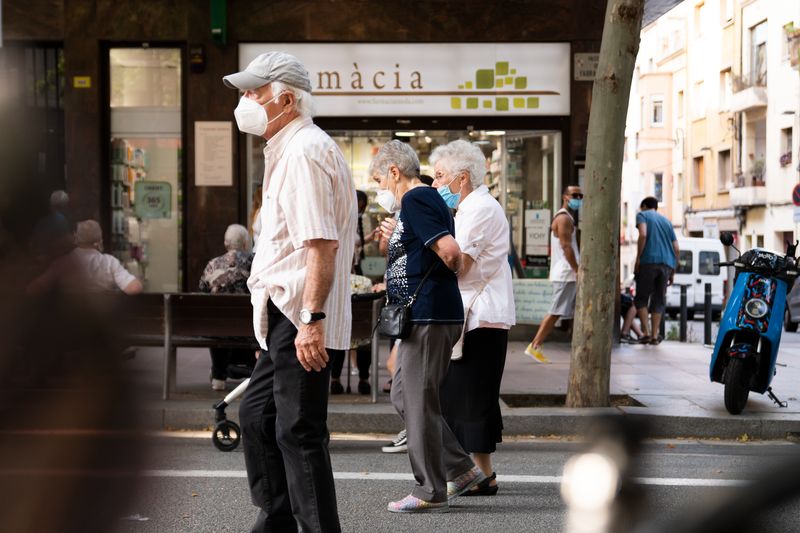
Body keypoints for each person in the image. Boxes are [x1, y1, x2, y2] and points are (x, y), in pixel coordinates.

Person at [223, 51, 356, 533]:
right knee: (257, 416)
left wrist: (311, 321)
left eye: (253, 91)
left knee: (298, 431)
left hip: (299, 311)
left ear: (285, 99)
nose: (245, 100)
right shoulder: (287, 148)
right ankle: (276, 521)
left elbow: (320, 243)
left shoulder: (303, 150)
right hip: (284, 311)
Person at [371, 139, 485, 513]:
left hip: (429, 315)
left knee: (417, 400)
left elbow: (450, 252)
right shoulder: (419, 203)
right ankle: (461, 469)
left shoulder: (417, 199)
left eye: (379, 181)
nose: (379, 190)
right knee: (405, 394)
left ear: (394, 171)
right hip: (423, 315)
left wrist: (441, 274)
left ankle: (430, 489)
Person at [431, 140, 515, 496]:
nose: (435, 185)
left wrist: (431, 246)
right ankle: (482, 475)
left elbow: (459, 265)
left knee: (468, 396)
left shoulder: (480, 209)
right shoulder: (471, 208)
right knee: (470, 396)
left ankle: (470, 475)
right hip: (478, 315)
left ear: (461, 178)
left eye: (440, 177)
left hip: (481, 316)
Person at [525, 185, 583, 361]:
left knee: (566, 310)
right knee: (556, 311)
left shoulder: (566, 217)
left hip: (566, 272)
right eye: (575, 195)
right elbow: (566, 246)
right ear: (565, 197)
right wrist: (577, 269)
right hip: (566, 273)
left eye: (581, 195)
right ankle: (535, 345)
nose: (578, 198)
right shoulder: (564, 218)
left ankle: (539, 345)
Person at [198, 224, 256, 391]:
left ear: (226, 243)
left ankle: (218, 376)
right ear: (246, 243)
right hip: (249, 329)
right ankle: (252, 371)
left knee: (218, 323)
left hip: (219, 330)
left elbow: (203, 293)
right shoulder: (255, 262)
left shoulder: (212, 265)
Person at [28, 219, 143, 295]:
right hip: (102, 319)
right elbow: (134, 287)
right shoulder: (110, 262)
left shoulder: (63, 262)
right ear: (99, 241)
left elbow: (34, 289)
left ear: (75, 238)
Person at [634, 196, 679, 345]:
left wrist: (638, 258)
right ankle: (654, 335)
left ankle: (645, 333)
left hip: (648, 262)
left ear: (644, 206)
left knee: (641, 298)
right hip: (666, 264)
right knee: (658, 300)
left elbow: (643, 234)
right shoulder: (667, 221)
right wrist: (673, 270)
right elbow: (676, 248)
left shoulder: (642, 215)